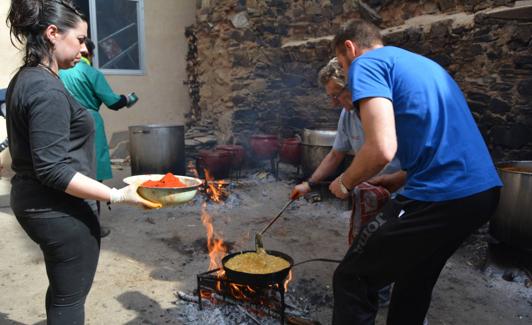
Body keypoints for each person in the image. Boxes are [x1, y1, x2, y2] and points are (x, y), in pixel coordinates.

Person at [328, 19, 502, 324]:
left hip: (441, 195)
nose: (346, 75)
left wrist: (343, 183)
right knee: (414, 276)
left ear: (349, 48)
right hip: (481, 193)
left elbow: (381, 149)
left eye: (342, 66)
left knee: (351, 279)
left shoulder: (365, 64)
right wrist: (398, 178)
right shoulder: (422, 65)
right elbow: (441, 141)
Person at [5, 1, 160, 323]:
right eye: (79, 39)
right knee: (70, 301)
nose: (84, 48)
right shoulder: (45, 88)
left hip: (36, 201)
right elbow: (53, 168)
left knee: (63, 290)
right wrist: (119, 195)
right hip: (57, 209)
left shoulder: (26, 77)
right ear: (52, 33)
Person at [291, 57, 401, 307]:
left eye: (336, 95)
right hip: (368, 194)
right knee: (366, 244)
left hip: (401, 191)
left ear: (354, 86)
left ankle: (392, 295)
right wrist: (309, 184)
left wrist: (344, 183)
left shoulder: (386, 108)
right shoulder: (347, 115)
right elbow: (335, 154)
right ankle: (377, 293)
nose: (333, 103)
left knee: (393, 249)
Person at [59, 38, 138, 237]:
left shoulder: (58, 71)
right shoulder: (91, 73)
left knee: (69, 174)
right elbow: (112, 102)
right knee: (92, 175)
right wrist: (128, 99)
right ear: (91, 54)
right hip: (89, 123)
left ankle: (68, 224)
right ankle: (93, 227)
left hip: (63, 121)